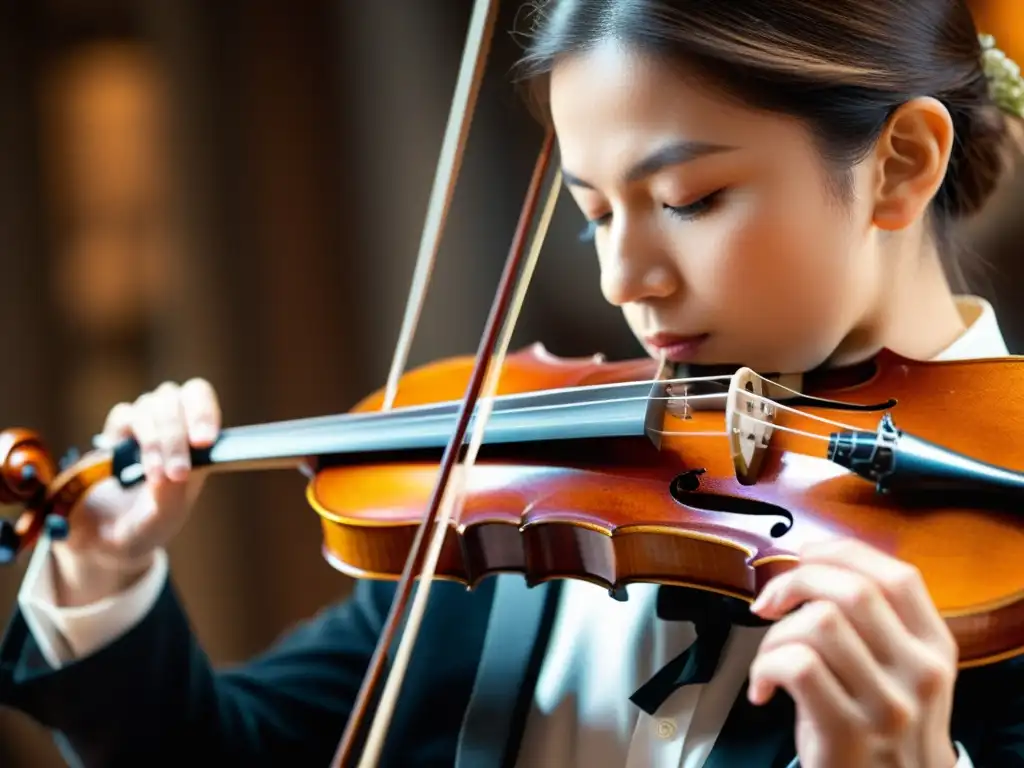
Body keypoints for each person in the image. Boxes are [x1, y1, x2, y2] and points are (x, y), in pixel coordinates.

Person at [3, 1, 1024, 765]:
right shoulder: (520, 481)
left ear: (899, 163)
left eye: (688, 198)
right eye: (594, 213)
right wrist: (103, 578)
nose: (624, 279)